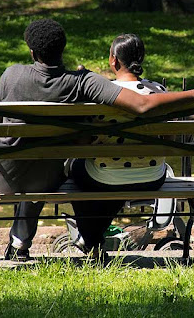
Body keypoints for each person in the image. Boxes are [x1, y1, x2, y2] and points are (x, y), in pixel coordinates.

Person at [0, 19, 194, 262]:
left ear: (32, 51)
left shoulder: (13, 74)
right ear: (62, 49)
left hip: (1, 176)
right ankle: (19, 245)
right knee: (40, 158)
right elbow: (142, 105)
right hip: (47, 179)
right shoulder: (82, 82)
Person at [67, 33, 173, 255]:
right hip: (152, 178)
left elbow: (82, 141)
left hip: (104, 178)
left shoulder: (103, 95)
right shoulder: (158, 92)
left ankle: (91, 238)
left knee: (76, 168)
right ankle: (94, 237)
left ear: (113, 60)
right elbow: (168, 139)